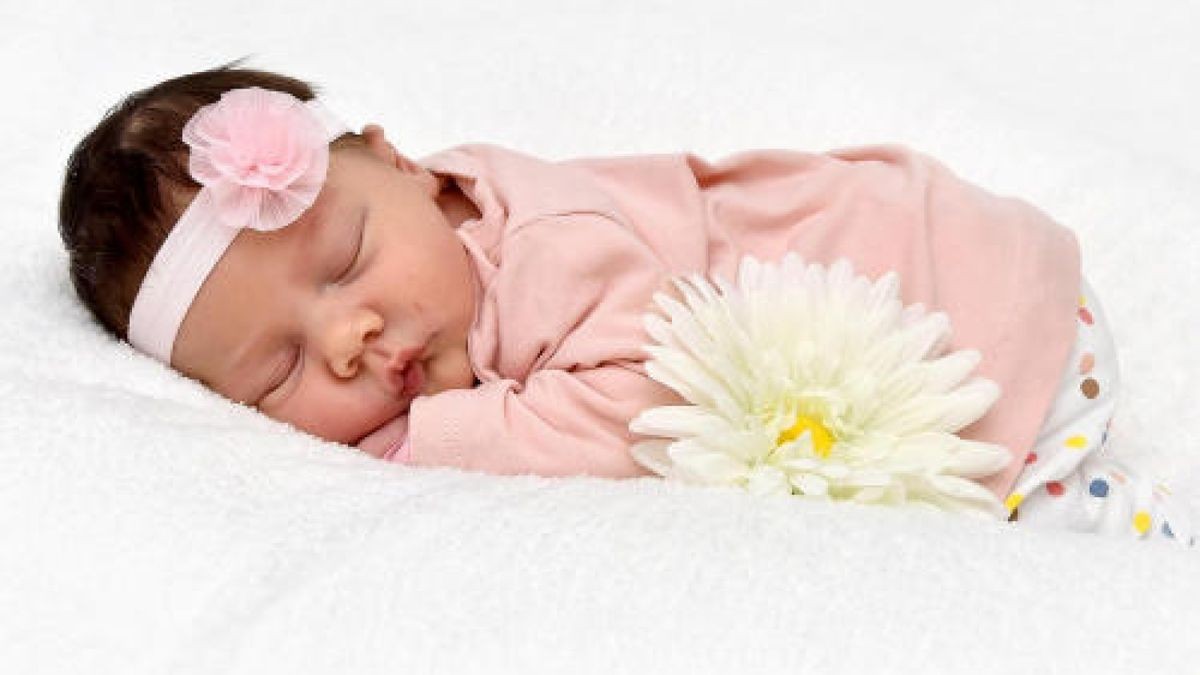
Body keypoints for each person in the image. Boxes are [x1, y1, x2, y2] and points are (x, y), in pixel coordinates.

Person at [57, 60, 1193, 547]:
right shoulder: (436, 279)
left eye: (348, 260)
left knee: (1041, 521)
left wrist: (426, 440)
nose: (349, 338)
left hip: (956, 292)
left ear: (411, 169)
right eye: (279, 371)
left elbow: (640, 412)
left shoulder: (548, 244)